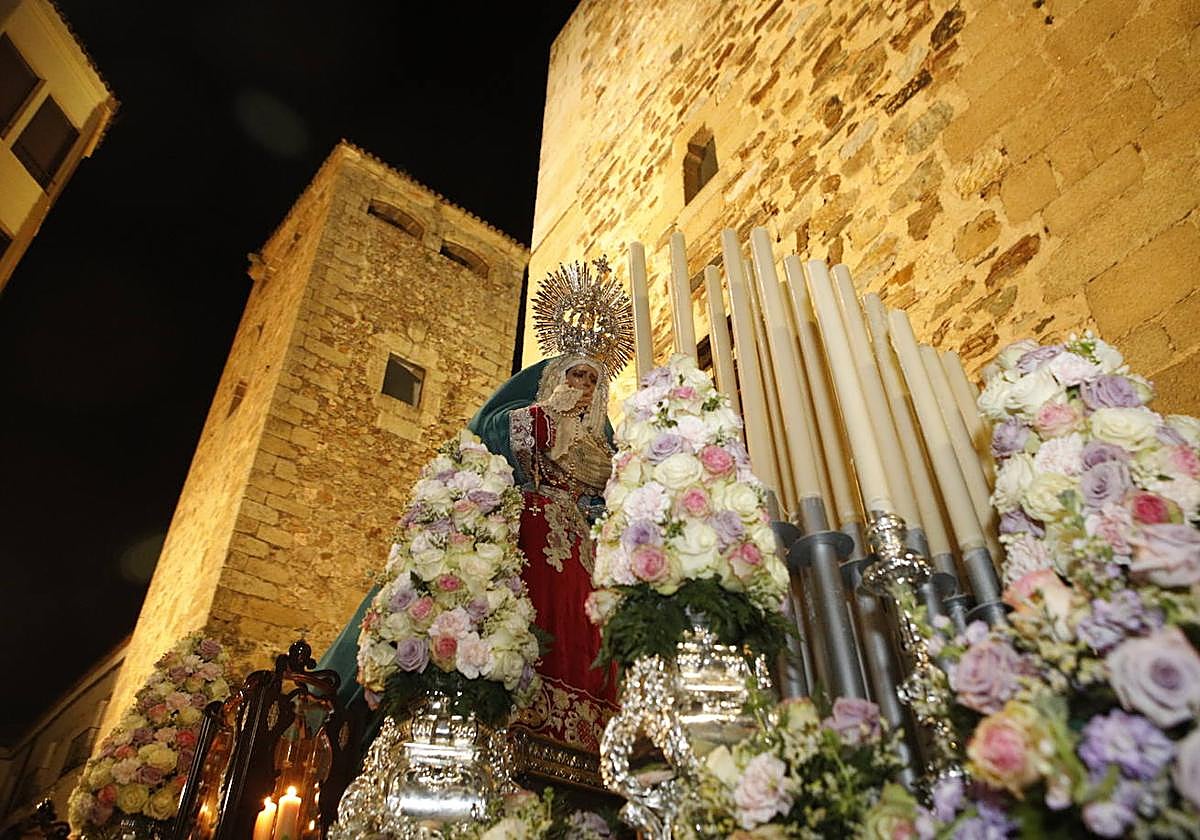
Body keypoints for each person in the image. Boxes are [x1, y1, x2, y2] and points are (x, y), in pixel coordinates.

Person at [468, 352, 617, 701]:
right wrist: (549, 409)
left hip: (584, 546)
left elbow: (607, 501)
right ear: (556, 377)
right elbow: (501, 434)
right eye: (577, 374)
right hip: (537, 529)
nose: (584, 385)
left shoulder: (600, 444)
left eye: (593, 380)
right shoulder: (535, 414)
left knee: (586, 630)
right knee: (543, 613)